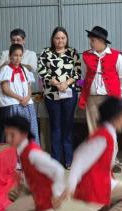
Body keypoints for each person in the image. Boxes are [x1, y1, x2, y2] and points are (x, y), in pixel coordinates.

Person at [4, 116, 66, 211]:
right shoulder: (22, 148)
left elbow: (58, 169)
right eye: (7, 135)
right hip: (35, 187)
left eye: (12, 135)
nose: (8, 139)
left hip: (45, 192)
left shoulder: (33, 153)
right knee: (13, 193)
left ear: (24, 134)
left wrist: (57, 195)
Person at [79, 26, 122, 173]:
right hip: (92, 99)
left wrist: (115, 91)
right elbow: (84, 75)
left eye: (93, 40)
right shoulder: (86, 56)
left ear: (101, 41)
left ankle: (112, 161)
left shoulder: (116, 56)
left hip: (109, 99)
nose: (90, 42)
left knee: (110, 131)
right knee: (93, 131)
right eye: (90, 39)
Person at [38, 27, 81, 169]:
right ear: (53, 39)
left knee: (67, 127)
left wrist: (66, 83)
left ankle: (69, 160)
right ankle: (56, 160)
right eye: (57, 38)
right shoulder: (46, 52)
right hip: (51, 94)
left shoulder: (73, 52)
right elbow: (42, 70)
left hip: (69, 94)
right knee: (55, 127)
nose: (60, 40)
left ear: (66, 39)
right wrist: (56, 83)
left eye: (63, 38)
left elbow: (77, 72)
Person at [0, 43, 40, 144]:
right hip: (13, 104)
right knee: (15, 132)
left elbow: (28, 87)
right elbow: (5, 89)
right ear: (10, 55)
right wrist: (20, 98)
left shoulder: (24, 70)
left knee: (29, 130)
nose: (17, 58)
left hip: (26, 104)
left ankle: (29, 154)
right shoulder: (6, 69)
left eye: (20, 55)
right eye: (15, 55)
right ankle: (15, 157)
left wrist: (27, 97)